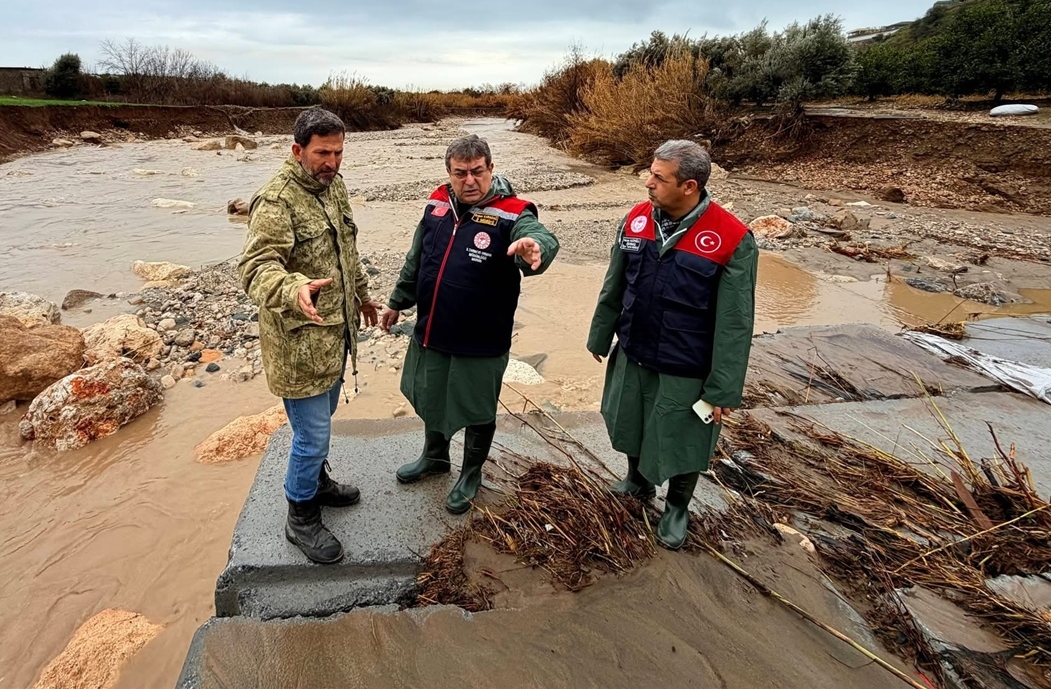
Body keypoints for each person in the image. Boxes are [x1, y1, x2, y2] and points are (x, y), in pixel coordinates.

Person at [586, 139, 757, 549]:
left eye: (659, 178)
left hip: (685, 364)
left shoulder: (732, 238)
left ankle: (678, 506)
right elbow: (615, 283)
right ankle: (637, 481)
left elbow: (736, 323)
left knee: (683, 438)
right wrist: (600, 332)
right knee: (628, 420)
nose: (648, 183)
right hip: (634, 350)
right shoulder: (637, 220)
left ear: (689, 187)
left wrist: (722, 389)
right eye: (650, 173)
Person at [380, 134, 559, 513]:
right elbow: (417, 257)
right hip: (432, 327)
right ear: (449, 173)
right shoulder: (436, 204)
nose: (470, 181)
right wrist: (398, 301)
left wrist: (534, 248)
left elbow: (537, 236)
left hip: (481, 336)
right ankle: (435, 457)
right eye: (461, 173)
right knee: (430, 395)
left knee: (477, 407)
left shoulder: (514, 212)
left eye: (477, 172)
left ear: (491, 169)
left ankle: (470, 474)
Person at [238, 108, 379, 564]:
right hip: (298, 344)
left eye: (338, 152)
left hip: (335, 336)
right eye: (322, 152)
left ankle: (316, 482)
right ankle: (300, 516)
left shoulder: (332, 185)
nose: (332, 161)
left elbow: (346, 249)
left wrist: (362, 296)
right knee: (311, 435)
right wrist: (294, 287)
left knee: (321, 422)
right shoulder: (276, 201)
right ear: (297, 150)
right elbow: (256, 267)